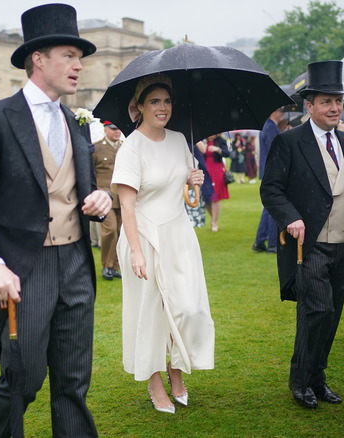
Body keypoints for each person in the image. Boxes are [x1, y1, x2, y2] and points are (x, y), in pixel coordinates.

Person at [0, 5, 110, 437]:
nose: (78, 66)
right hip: (27, 267)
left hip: (76, 264)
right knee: (24, 378)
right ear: (38, 58)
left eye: (80, 57)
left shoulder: (76, 123)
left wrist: (100, 198)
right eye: (69, 55)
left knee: (75, 380)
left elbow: (79, 188)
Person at [260, 61, 344, 409]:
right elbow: (271, 191)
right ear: (308, 105)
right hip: (307, 246)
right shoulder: (289, 142)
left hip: (343, 246)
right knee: (316, 311)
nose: (335, 108)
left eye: (338, 101)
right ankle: (300, 382)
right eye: (326, 101)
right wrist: (291, 218)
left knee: (330, 316)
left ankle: (318, 378)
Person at [112, 74, 214, 414]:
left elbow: (191, 199)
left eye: (167, 101)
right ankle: (157, 384)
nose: (163, 108)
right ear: (139, 107)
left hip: (179, 234)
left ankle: (177, 371)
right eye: (154, 101)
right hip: (143, 236)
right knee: (152, 314)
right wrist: (137, 252)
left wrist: (193, 180)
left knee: (188, 308)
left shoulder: (180, 139)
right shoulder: (131, 147)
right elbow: (127, 205)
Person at [93, 121, 123, 280]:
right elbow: (90, 173)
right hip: (105, 197)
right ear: (105, 129)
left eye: (118, 128)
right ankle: (106, 265)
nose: (116, 131)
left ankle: (115, 267)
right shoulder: (97, 148)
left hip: (123, 196)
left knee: (120, 232)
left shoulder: (125, 146)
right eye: (113, 128)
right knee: (110, 230)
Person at [252, 107, 284, 253]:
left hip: (268, 170)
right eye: (280, 111)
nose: (282, 114)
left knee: (268, 207)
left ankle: (260, 240)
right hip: (273, 171)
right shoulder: (270, 127)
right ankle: (271, 242)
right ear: (274, 112)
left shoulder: (269, 126)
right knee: (272, 206)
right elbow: (276, 149)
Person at [197, 134, 229, 232]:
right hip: (205, 170)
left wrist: (217, 149)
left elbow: (227, 153)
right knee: (206, 198)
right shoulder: (202, 141)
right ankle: (213, 218)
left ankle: (214, 222)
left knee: (215, 197)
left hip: (217, 170)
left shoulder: (220, 140)